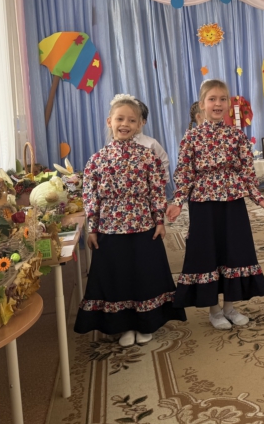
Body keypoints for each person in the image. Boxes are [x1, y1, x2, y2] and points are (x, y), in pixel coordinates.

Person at [75, 94, 185, 347]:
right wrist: (92, 228)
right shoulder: (96, 160)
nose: (125, 124)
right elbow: (90, 197)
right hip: (109, 230)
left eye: (131, 120)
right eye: (120, 119)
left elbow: (157, 191)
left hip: (143, 227)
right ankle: (123, 325)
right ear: (110, 122)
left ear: (139, 125)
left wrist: (159, 221)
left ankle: (145, 323)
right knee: (117, 278)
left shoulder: (148, 157)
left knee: (144, 276)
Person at [167, 80, 264, 330]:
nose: (218, 104)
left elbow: (247, 171)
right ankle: (214, 310)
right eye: (212, 99)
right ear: (202, 104)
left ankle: (229, 306)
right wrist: (178, 201)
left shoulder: (237, 135)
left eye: (223, 99)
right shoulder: (192, 136)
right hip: (203, 204)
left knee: (234, 252)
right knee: (207, 253)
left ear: (228, 104)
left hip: (232, 202)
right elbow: (184, 172)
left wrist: (259, 198)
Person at [133, 98, 171, 184]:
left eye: (132, 120)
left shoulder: (151, 144)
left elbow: (164, 161)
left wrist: (162, 182)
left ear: (143, 122)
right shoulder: (114, 146)